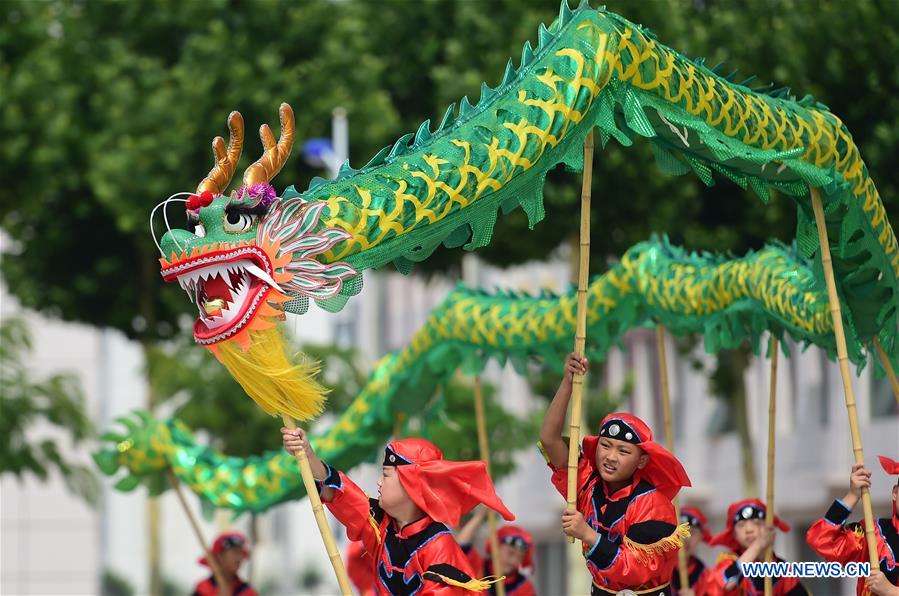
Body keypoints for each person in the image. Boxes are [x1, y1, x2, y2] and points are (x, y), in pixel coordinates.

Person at [282, 429, 514, 594]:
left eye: (386, 474)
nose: (379, 483)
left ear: (410, 484)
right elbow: (342, 493)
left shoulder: (439, 547)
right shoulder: (383, 528)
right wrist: (307, 454)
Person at [539, 353, 691, 595]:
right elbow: (549, 439)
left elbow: (633, 570)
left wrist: (588, 535)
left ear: (641, 460)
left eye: (623, 451)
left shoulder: (654, 505)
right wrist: (568, 381)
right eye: (605, 445)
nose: (610, 457)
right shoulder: (587, 483)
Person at [806, 455, 899, 595]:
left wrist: (891, 591)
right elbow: (820, 539)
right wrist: (853, 494)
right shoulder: (873, 533)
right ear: (895, 493)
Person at [699, 499, 808, 595]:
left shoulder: (781, 568)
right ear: (734, 534)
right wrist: (757, 546)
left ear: (769, 529)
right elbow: (725, 583)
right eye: (741, 525)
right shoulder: (729, 561)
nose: (749, 530)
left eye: (756, 523)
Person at [456, 507, 536, 595]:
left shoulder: (524, 586)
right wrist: (480, 515)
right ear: (496, 549)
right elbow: (461, 544)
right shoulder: (478, 566)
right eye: (510, 553)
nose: (513, 561)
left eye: (519, 557)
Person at [191, 531, 258, 596]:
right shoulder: (203, 589)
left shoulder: (247, 592)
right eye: (235, 552)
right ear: (220, 556)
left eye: (241, 553)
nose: (239, 558)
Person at [672, 506, 712, 596]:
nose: (687, 538)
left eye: (693, 533)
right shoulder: (659, 568)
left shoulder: (705, 575)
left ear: (701, 537)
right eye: (682, 532)